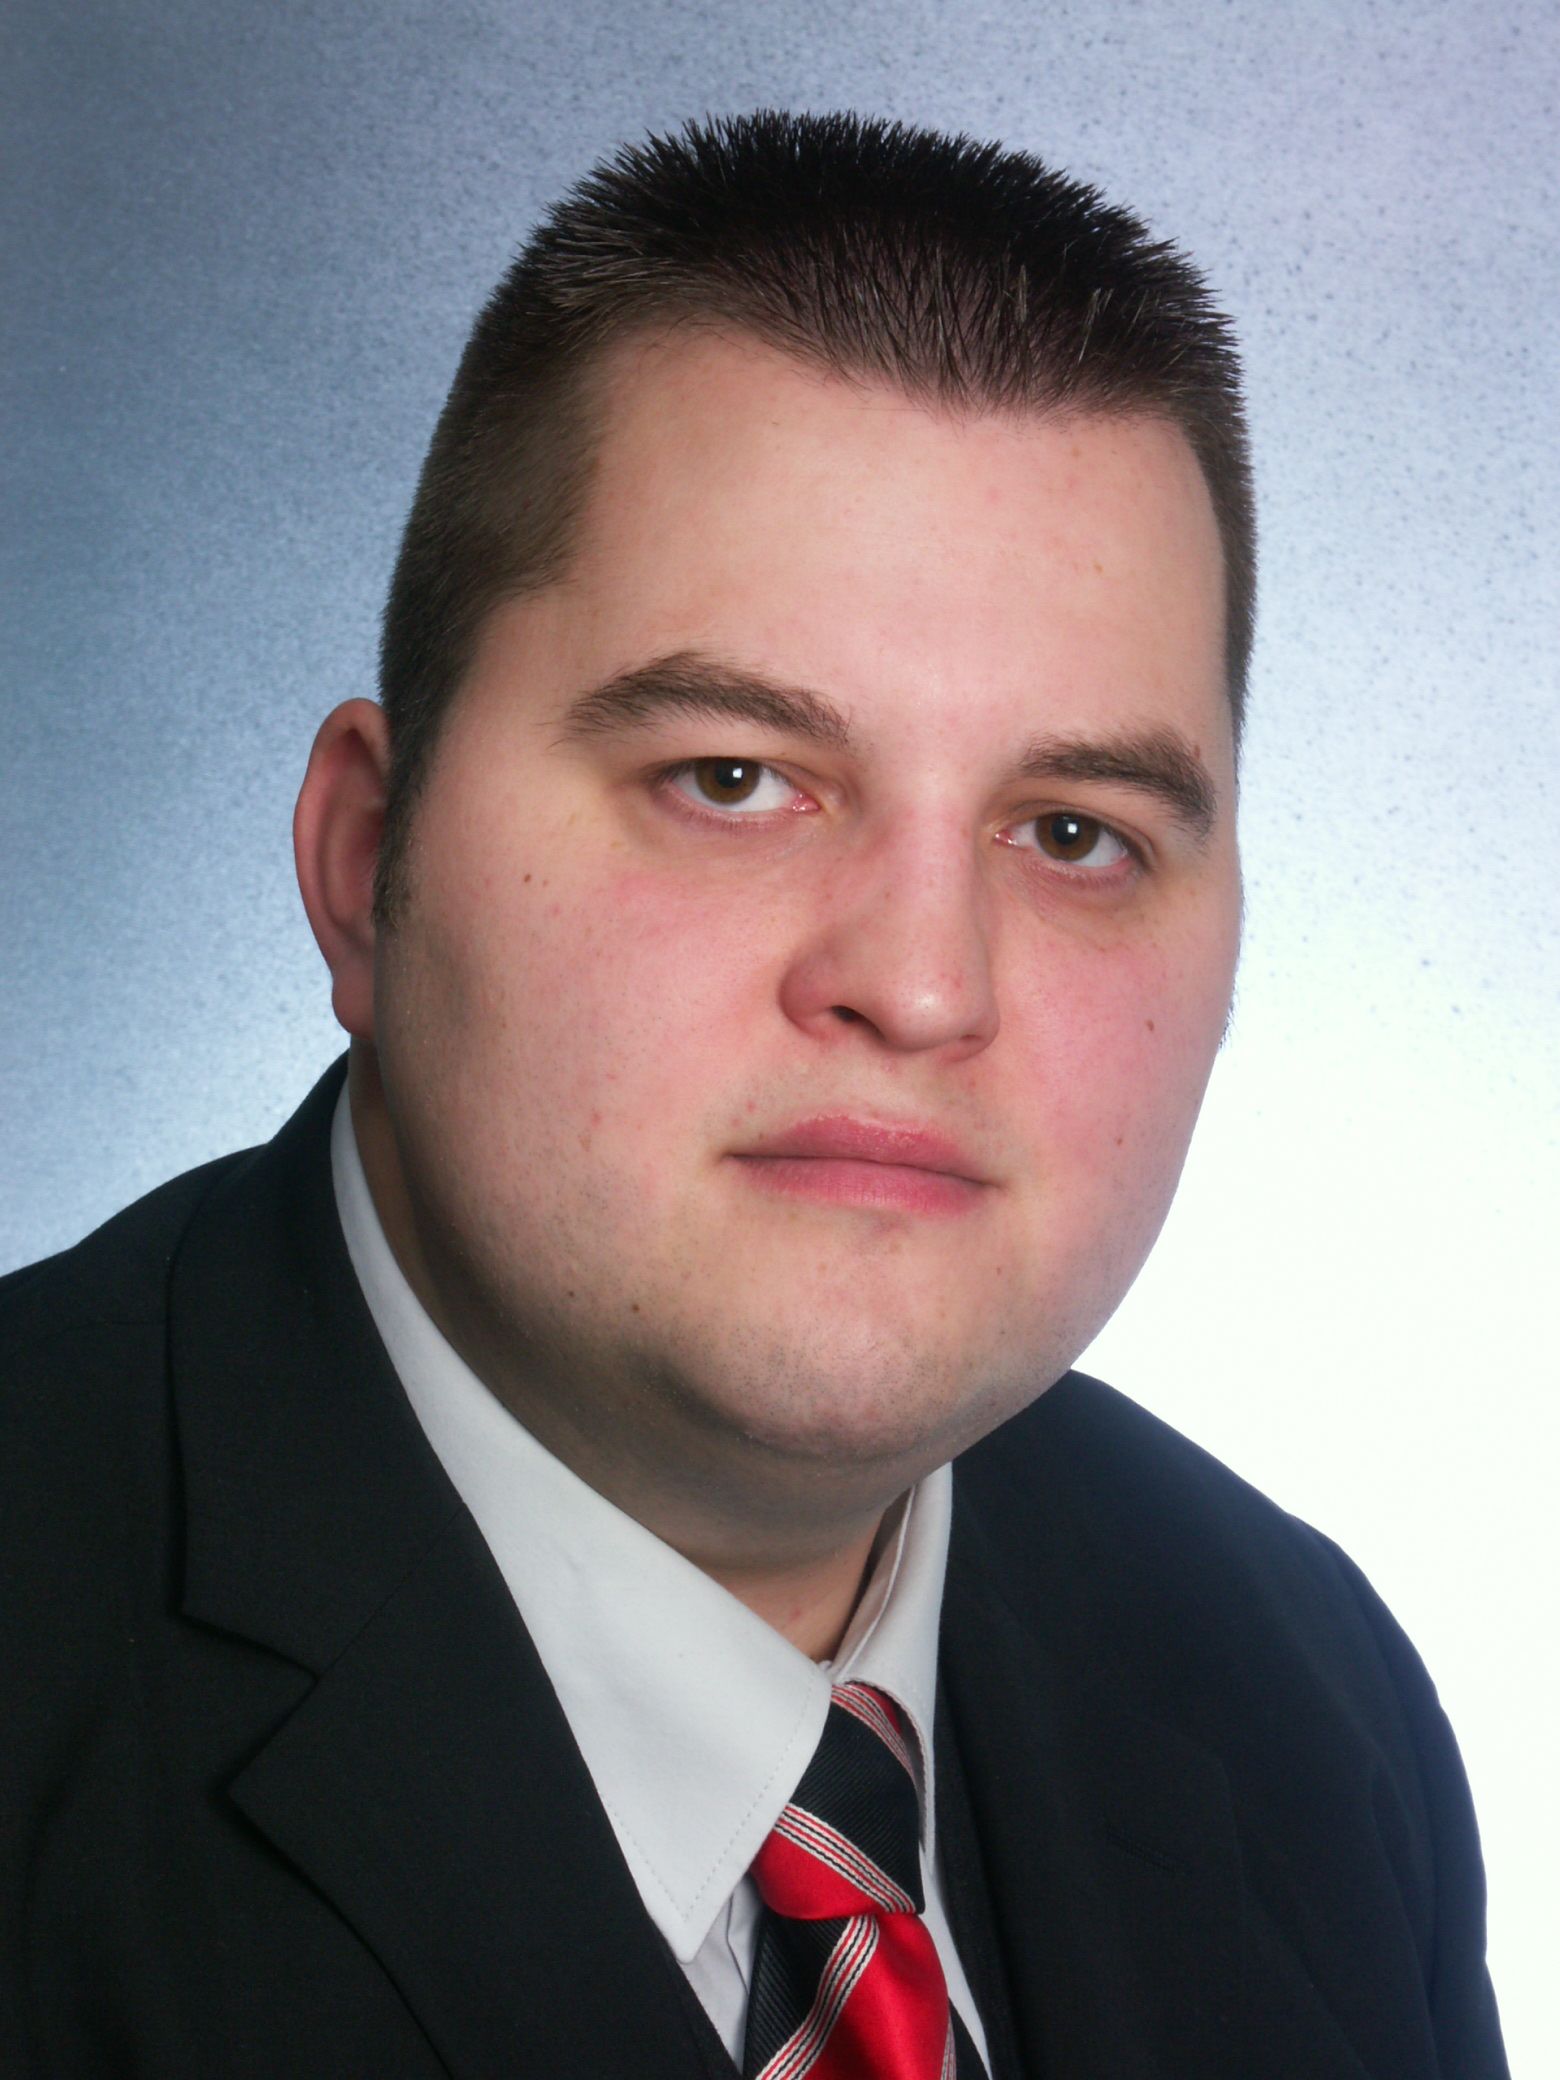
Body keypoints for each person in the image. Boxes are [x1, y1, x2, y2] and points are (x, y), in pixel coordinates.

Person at [1, 111, 1506, 2078]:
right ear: (369, 865)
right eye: (733, 778)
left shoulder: (1305, 1694)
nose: (923, 982)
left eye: (1074, 829)